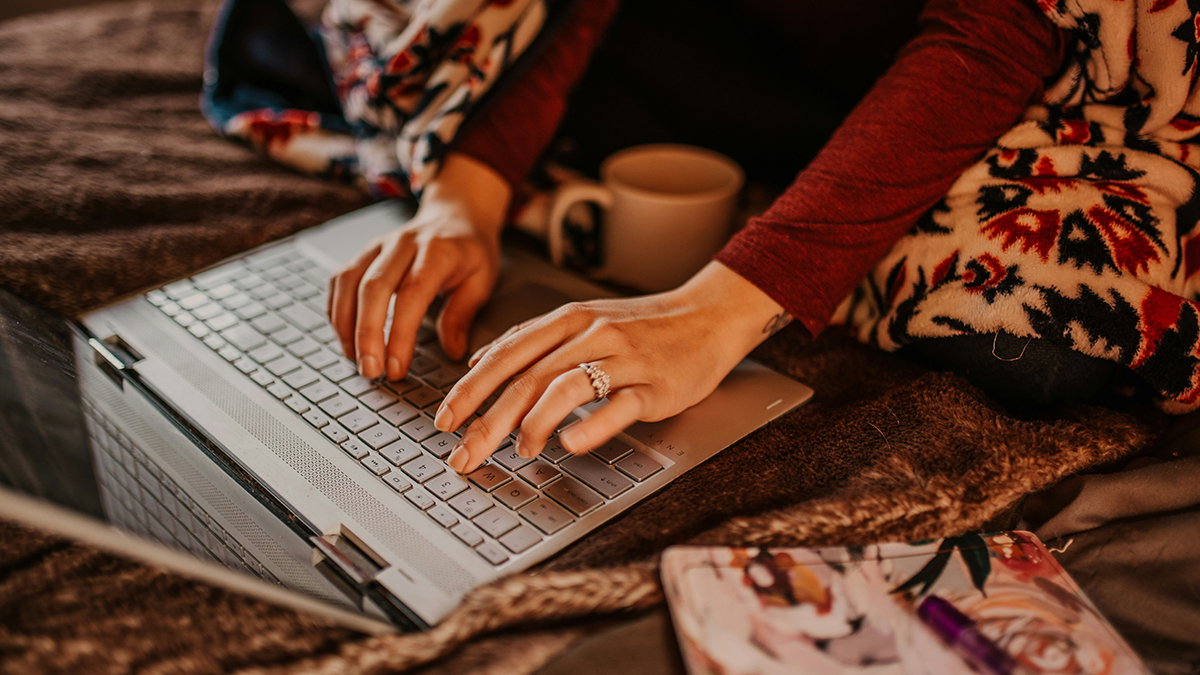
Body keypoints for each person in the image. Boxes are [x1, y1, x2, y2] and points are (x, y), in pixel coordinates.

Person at [326, 0, 1190, 476]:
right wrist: (463, 195)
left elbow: (997, 32)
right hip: (744, 41)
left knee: (1056, 334)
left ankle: (814, 193)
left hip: (992, 73)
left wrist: (724, 305)